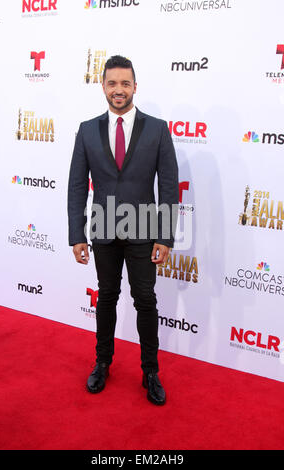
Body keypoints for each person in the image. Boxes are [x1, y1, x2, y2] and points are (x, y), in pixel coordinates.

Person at [68, 55, 179, 405]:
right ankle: (102, 362)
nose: (119, 90)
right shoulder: (87, 130)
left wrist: (165, 235)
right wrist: (76, 233)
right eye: (112, 83)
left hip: (145, 227)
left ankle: (150, 370)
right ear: (103, 86)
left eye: (125, 83)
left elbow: (170, 186)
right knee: (107, 296)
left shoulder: (157, 128)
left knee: (145, 299)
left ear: (135, 86)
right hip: (102, 229)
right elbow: (75, 185)